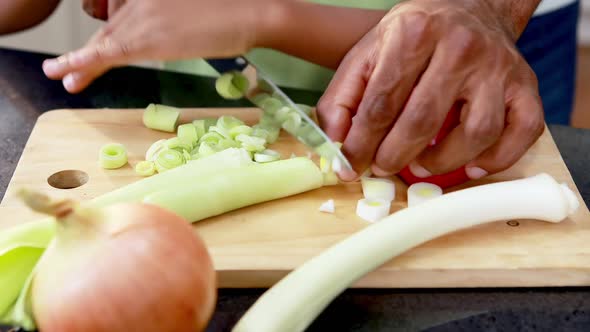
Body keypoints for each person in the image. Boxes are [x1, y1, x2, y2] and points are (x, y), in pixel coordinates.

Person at [1, 0, 580, 182]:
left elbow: (449, 36)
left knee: (492, 138)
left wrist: (261, 14)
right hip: (190, 76)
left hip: (465, 45)